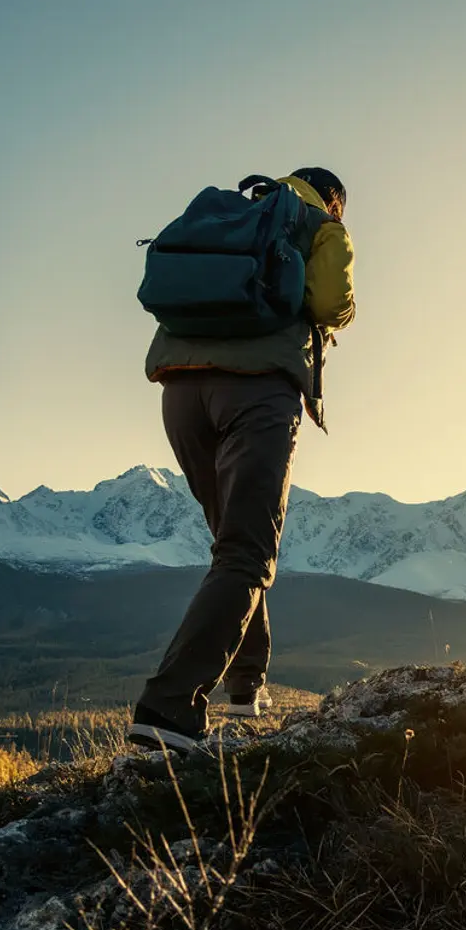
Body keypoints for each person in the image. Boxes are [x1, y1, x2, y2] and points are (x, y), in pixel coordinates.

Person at [128, 167, 355, 753]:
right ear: (334, 201)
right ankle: (169, 708)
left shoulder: (231, 210)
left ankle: (246, 681)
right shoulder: (323, 225)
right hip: (256, 390)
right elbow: (331, 302)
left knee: (232, 543)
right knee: (247, 553)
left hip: (179, 392)